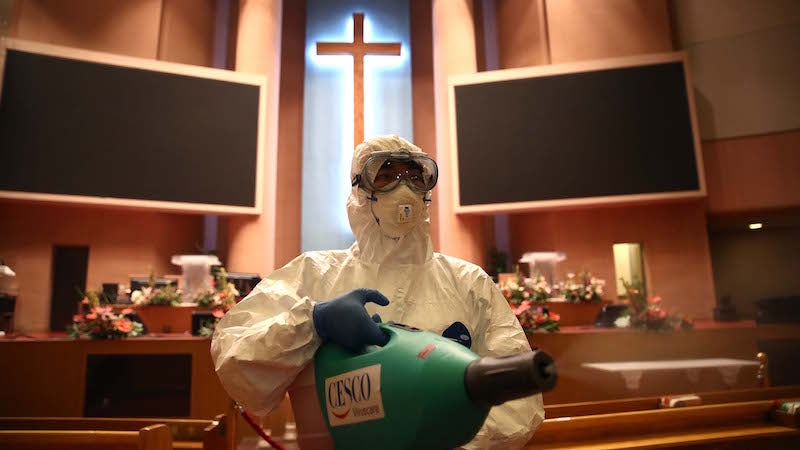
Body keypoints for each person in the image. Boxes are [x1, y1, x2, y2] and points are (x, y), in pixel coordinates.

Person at [211, 135, 545, 449]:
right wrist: (312, 322)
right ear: (359, 189)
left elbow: (519, 401)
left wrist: (453, 441)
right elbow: (235, 358)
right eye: (386, 176)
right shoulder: (314, 275)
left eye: (415, 177)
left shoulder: (470, 284)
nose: (404, 188)